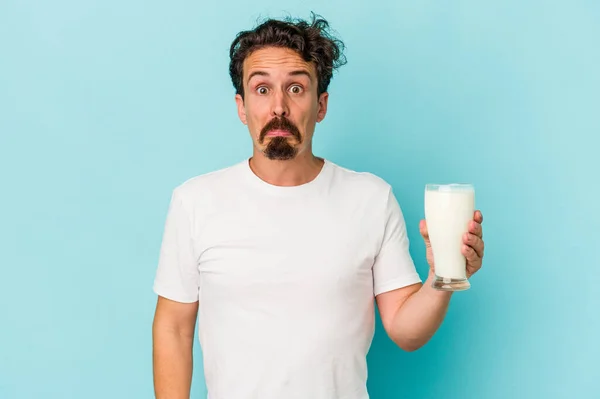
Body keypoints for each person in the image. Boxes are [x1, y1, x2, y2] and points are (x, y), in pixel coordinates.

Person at [151, 13, 485, 399]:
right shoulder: (195, 202)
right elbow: (173, 328)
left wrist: (442, 275)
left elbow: (406, 331)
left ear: (321, 104)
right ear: (241, 107)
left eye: (296, 88)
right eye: (262, 90)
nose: (278, 107)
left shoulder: (370, 199)